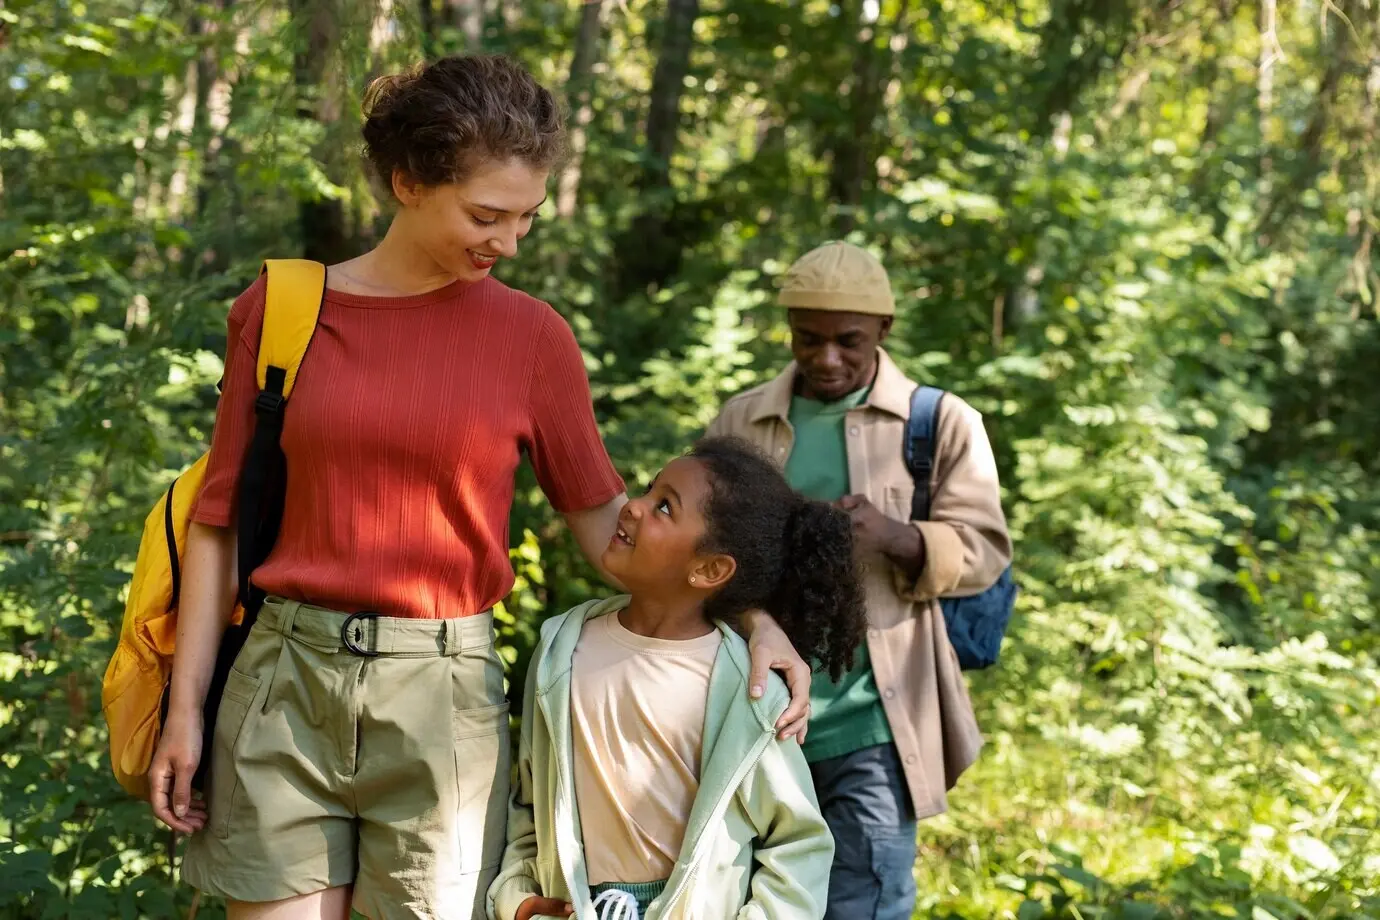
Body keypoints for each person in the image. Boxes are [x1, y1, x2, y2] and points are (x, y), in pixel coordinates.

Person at [146, 54, 811, 920]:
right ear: (407, 181)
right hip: (280, 685)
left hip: (442, 699)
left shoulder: (533, 338)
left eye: (527, 217)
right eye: (487, 214)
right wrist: (185, 712)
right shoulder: (280, 309)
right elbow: (219, 523)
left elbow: (614, 526)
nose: (509, 242)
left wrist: (755, 620)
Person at [706, 241, 1013, 920]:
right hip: (760, 716)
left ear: (884, 331)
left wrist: (898, 536)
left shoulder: (941, 423)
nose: (826, 358)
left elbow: (986, 549)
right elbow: (702, 549)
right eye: (807, 340)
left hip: (872, 722)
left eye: (848, 341)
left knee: (863, 901)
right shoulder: (743, 420)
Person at [489, 437, 863, 920]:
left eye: (664, 506)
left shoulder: (747, 687)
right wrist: (516, 899)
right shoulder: (562, 649)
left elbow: (797, 842)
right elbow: (530, 800)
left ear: (709, 570)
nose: (634, 508)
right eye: (647, 491)